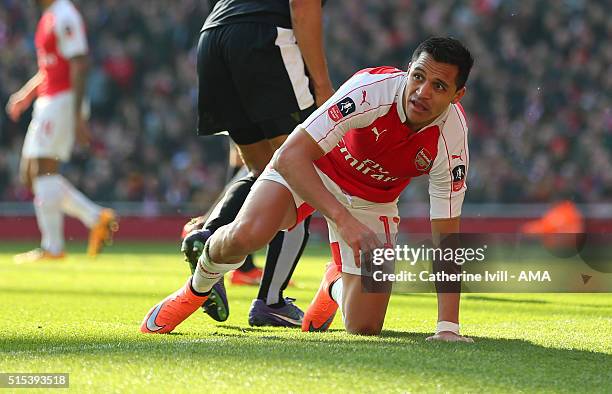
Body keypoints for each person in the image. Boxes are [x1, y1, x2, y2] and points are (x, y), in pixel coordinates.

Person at [141, 36, 474, 342]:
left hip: (374, 201)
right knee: (248, 235)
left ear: (457, 96)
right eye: (418, 77)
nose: (422, 92)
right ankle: (195, 289)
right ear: (408, 72)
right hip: (311, 169)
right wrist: (344, 221)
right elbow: (289, 156)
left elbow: (446, 233)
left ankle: (334, 284)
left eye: (439, 86)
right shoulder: (370, 91)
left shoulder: (453, 137)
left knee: (365, 327)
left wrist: (447, 327)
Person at [176, 0, 335, 327]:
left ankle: (208, 236)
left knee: (262, 170)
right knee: (301, 173)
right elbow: (302, 7)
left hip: (214, 37)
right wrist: (322, 86)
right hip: (264, 38)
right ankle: (271, 301)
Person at [6, 0, 117, 263]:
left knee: (43, 170)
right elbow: (50, 67)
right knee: (31, 175)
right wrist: (26, 95)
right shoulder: (50, 16)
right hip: (49, 100)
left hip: (62, 101)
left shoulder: (65, 15)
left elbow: (80, 63)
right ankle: (95, 217)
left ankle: (53, 247)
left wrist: (77, 113)